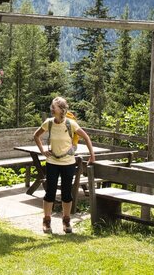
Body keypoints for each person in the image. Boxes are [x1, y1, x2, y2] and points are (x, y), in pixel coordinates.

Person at [33, 96, 95, 234]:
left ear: (61, 109)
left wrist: (92, 155)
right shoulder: (48, 123)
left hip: (68, 163)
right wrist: (43, 151)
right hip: (52, 162)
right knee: (50, 192)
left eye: (53, 106)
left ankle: (66, 221)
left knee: (67, 193)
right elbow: (36, 136)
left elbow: (86, 137)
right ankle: (47, 221)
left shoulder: (70, 124)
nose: (51, 108)